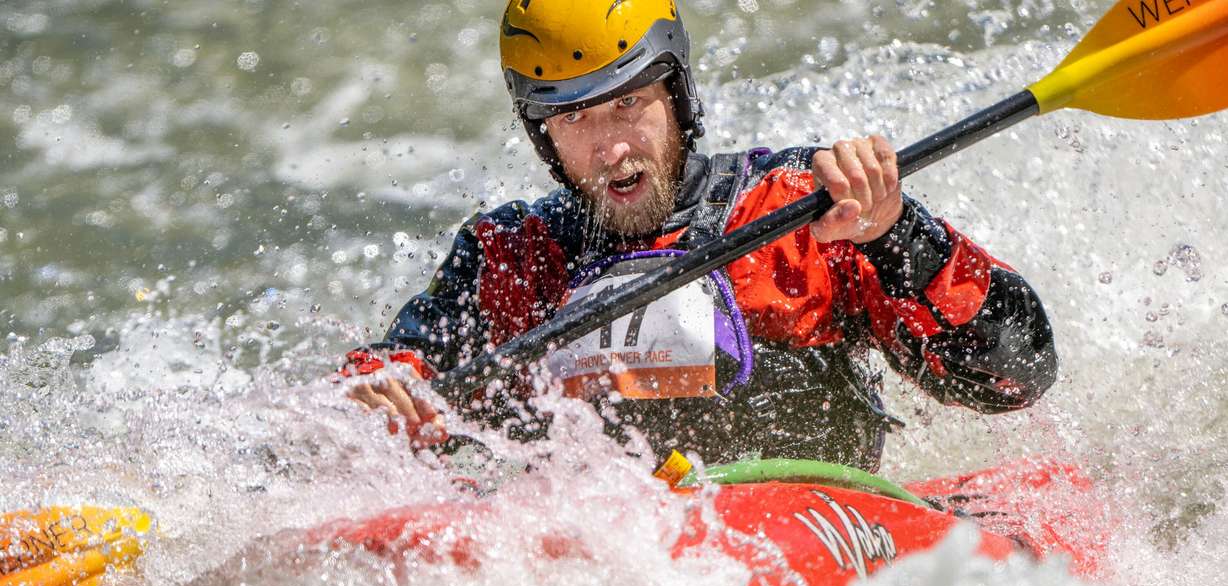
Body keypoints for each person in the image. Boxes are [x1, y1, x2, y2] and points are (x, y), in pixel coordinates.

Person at [344, 0, 1057, 472]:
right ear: (542, 136)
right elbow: (384, 379)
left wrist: (899, 235)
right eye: (577, 121)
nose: (613, 150)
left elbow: (1015, 378)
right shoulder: (510, 254)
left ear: (678, 96)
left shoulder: (803, 211)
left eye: (628, 104)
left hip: (812, 526)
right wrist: (383, 393)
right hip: (623, 562)